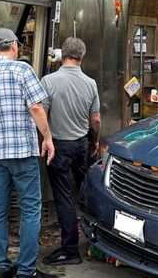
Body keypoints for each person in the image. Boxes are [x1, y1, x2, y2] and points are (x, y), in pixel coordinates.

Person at [0, 28, 57, 278]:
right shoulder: (22, 70)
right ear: (14, 46)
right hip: (22, 151)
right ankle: (26, 271)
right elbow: (37, 107)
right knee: (30, 208)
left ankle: (2, 267)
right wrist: (47, 137)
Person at [40, 37, 101, 266]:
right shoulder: (91, 83)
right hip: (82, 145)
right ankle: (96, 241)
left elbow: (41, 115)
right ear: (82, 57)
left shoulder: (49, 81)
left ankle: (70, 250)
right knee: (83, 193)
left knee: (64, 198)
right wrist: (94, 142)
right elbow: (95, 119)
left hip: (60, 146)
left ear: (62, 54)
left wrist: (45, 139)